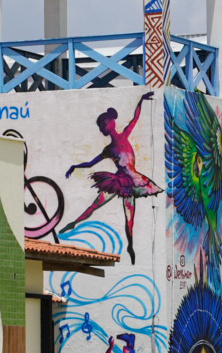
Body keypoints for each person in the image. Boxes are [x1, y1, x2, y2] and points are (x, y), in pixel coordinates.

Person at [62, 91, 161, 262]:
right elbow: (91, 163)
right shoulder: (108, 149)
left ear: (111, 123)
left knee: (129, 217)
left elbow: (135, 119)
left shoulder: (124, 136)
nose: (101, 129)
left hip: (134, 181)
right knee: (96, 206)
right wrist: (75, 166)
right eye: (100, 127)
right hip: (118, 181)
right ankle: (73, 223)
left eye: (103, 125)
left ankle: (130, 245)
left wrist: (141, 100)